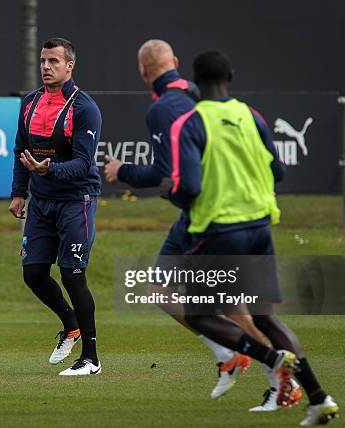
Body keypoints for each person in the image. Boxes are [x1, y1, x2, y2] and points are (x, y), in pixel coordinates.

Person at [104, 39, 284, 402]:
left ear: (143, 71)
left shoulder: (163, 109)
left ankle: (276, 371)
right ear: (175, 63)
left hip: (204, 216)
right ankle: (239, 359)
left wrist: (122, 170)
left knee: (216, 304)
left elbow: (166, 173)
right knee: (207, 299)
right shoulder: (197, 94)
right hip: (237, 213)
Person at [168, 50, 339, 425]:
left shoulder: (191, 122)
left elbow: (189, 187)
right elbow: (277, 170)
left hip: (220, 232)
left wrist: (171, 192)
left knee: (199, 315)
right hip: (260, 229)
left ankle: (271, 360)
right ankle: (318, 397)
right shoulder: (252, 116)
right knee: (265, 316)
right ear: (230, 75)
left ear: (196, 82)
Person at [9, 37, 102, 376]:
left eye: (54, 62)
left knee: (72, 274)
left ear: (70, 66)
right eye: (43, 61)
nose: (46, 67)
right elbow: (21, 150)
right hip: (42, 203)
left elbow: (82, 163)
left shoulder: (84, 107)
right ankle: (71, 325)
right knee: (33, 273)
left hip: (77, 200)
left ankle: (91, 357)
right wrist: (19, 192)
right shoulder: (30, 102)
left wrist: (48, 169)